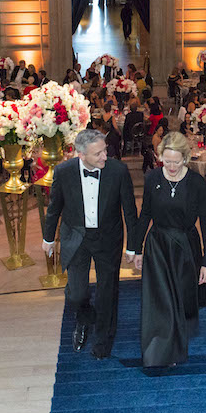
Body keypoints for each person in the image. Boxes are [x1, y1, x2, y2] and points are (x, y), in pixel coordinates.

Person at [41, 128, 138, 359]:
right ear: (81, 155)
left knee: (107, 293)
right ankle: (84, 317)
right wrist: (48, 238)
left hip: (108, 238)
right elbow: (54, 208)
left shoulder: (119, 171)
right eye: (98, 154)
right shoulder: (63, 172)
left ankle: (104, 341)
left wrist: (133, 246)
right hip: (76, 237)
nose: (105, 156)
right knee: (76, 293)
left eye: (105, 151)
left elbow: (130, 212)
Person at [131, 132, 206, 368]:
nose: (172, 166)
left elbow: (205, 222)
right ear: (160, 157)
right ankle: (158, 352)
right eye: (167, 161)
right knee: (161, 302)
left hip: (186, 248)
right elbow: (145, 213)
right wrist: (136, 248)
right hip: (157, 247)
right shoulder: (152, 178)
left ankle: (175, 344)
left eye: (177, 161)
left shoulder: (196, 183)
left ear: (185, 158)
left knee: (180, 300)